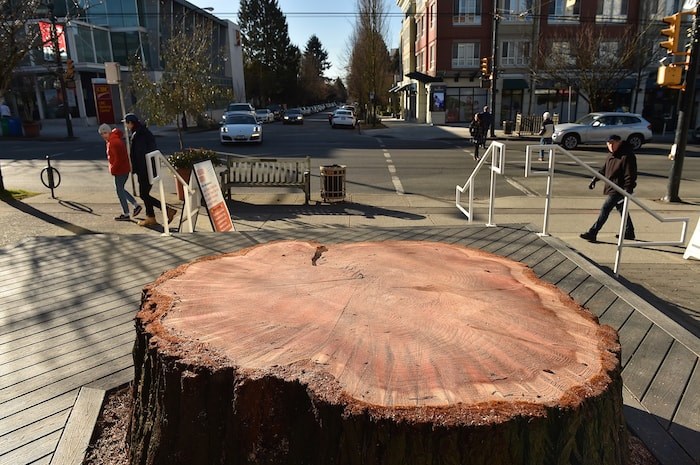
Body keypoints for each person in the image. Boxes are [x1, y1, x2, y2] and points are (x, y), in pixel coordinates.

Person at [579, 135, 637, 242]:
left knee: (605, 209)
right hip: (612, 186)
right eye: (608, 143)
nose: (610, 146)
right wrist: (595, 179)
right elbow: (604, 170)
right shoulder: (611, 155)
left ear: (619, 142)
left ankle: (593, 232)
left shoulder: (627, 156)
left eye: (612, 143)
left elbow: (630, 175)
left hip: (619, 189)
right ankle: (629, 232)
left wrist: (627, 190)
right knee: (622, 210)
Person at [123, 113, 176, 227]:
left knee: (143, 194)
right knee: (145, 193)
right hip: (150, 168)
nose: (126, 126)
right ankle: (151, 217)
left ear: (131, 123)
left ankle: (166, 209)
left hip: (145, 169)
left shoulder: (138, 135)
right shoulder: (143, 132)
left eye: (127, 123)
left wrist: (138, 170)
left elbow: (140, 154)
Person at [99, 123, 142, 221]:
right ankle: (135, 206)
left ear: (109, 132)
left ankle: (126, 213)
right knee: (120, 189)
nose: (103, 135)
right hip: (122, 169)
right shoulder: (113, 140)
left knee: (120, 190)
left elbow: (118, 158)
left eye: (105, 133)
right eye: (102, 134)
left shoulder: (114, 142)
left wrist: (113, 169)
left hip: (120, 170)